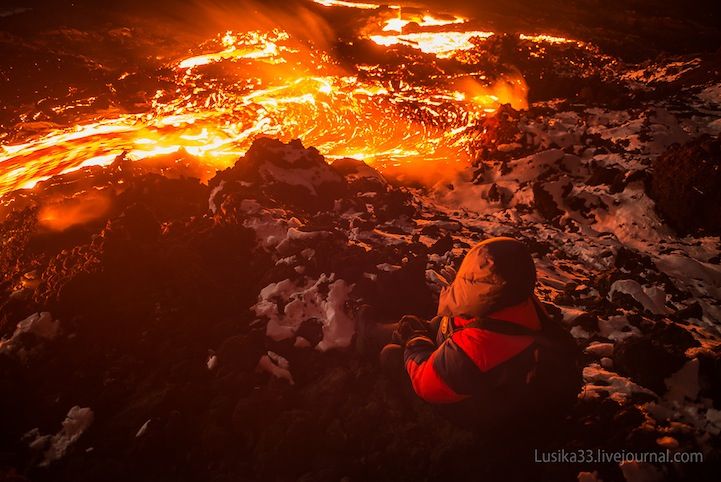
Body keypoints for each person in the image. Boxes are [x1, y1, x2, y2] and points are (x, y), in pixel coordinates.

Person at [360, 237, 582, 427]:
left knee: (391, 354)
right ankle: (375, 332)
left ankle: (422, 418)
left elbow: (427, 382)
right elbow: (472, 328)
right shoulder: (520, 302)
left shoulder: (483, 346)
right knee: (441, 323)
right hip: (510, 385)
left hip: (491, 413)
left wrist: (415, 341)